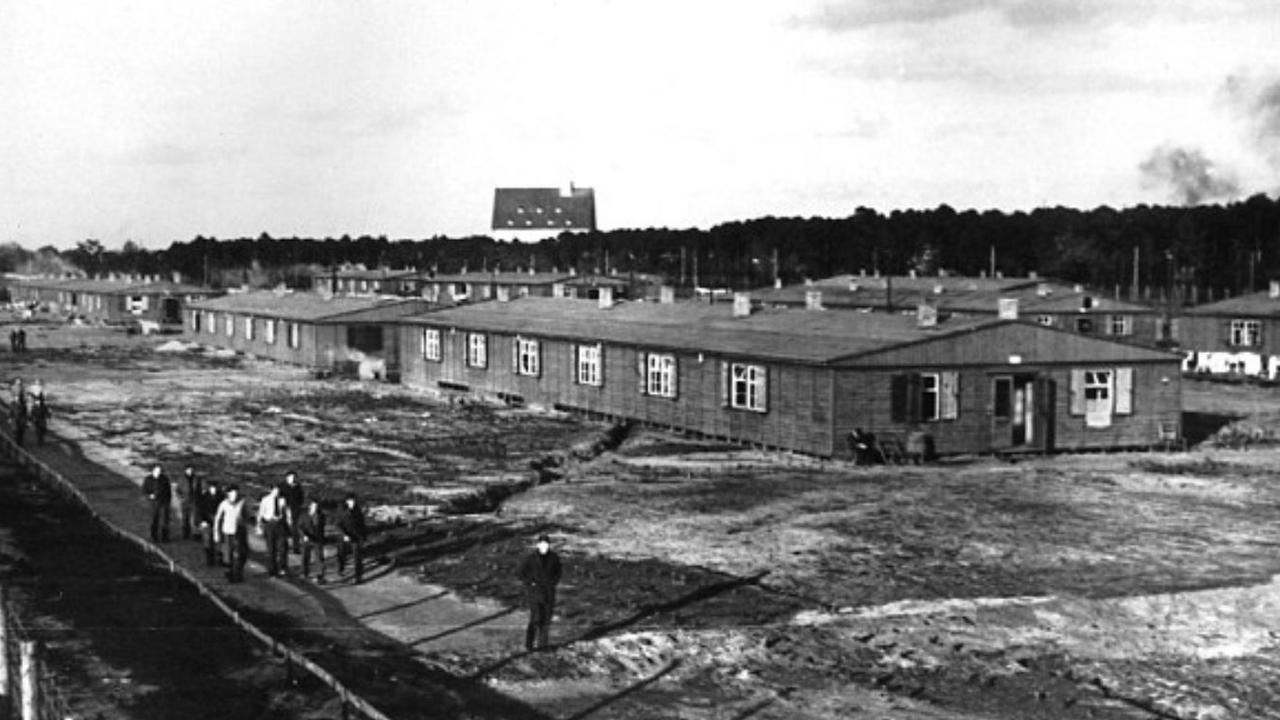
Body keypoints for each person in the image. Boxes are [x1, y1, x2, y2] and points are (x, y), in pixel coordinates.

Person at [517, 534, 563, 651]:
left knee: (546, 620)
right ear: (538, 545)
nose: (544, 547)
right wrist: (530, 583)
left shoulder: (554, 558)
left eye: (546, 544)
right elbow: (520, 573)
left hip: (549, 592)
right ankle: (529, 644)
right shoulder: (530, 558)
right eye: (542, 544)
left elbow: (558, 572)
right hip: (535, 593)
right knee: (536, 618)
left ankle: (542, 645)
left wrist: (553, 583)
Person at [213, 485, 249, 582]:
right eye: (232, 493)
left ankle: (237, 574)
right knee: (228, 555)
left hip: (239, 532)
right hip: (228, 531)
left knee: (239, 554)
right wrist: (216, 532)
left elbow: (246, 516)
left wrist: (244, 526)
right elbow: (218, 518)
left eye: (236, 493)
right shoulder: (224, 504)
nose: (234, 495)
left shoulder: (242, 503)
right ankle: (231, 572)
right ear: (228, 494)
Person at [256, 484, 290, 577]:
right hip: (270, 524)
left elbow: (286, 512)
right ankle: (272, 569)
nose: (277, 492)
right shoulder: (266, 500)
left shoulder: (283, 500)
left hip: (280, 524)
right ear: (271, 490)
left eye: (278, 491)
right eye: (275, 490)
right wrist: (258, 526)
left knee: (282, 547)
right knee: (271, 549)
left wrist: (288, 524)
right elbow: (260, 513)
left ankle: (283, 567)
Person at [336, 493, 367, 584]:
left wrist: (364, 537)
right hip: (344, 537)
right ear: (346, 501)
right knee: (342, 554)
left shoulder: (358, 511)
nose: (352, 503)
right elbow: (338, 524)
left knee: (357, 557)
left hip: (356, 537)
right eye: (350, 501)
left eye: (353, 501)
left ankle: (358, 576)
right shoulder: (341, 510)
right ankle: (341, 568)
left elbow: (362, 525)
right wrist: (343, 535)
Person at [297, 499, 327, 582]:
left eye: (317, 506)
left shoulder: (321, 515)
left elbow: (321, 527)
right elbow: (299, 526)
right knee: (305, 556)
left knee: (319, 557)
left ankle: (320, 575)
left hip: (317, 538)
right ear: (310, 506)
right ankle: (304, 573)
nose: (316, 507)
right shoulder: (304, 515)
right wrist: (303, 536)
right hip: (307, 538)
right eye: (314, 506)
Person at [142, 464, 172, 543]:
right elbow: (144, 490)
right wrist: (149, 495)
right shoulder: (148, 479)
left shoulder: (165, 479)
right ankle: (154, 537)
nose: (158, 473)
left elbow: (168, 491)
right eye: (157, 471)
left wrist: (168, 501)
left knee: (165, 520)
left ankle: (165, 537)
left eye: (160, 471)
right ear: (153, 471)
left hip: (164, 502)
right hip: (154, 503)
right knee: (154, 520)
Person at [195, 481, 223, 567]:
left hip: (218, 521)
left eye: (215, 488)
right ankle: (209, 560)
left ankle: (219, 559)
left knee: (218, 541)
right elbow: (200, 510)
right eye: (212, 488)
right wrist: (202, 521)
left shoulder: (221, 496)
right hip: (207, 521)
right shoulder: (204, 497)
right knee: (207, 541)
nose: (213, 490)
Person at [279, 471, 305, 554]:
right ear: (287, 478)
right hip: (284, 510)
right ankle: (283, 547)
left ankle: (296, 547)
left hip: (295, 511)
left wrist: (298, 507)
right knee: (283, 530)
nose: (293, 479)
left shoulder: (298, 487)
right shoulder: (282, 487)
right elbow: (279, 498)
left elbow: (301, 499)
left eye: (294, 477)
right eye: (291, 477)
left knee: (295, 530)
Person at [179, 465, 203, 540]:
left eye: (191, 470)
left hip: (194, 500)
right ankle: (185, 534)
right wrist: (181, 497)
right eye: (188, 470)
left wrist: (199, 499)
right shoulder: (182, 479)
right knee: (185, 518)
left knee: (196, 518)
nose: (190, 471)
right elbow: (178, 490)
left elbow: (199, 490)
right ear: (185, 470)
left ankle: (197, 534)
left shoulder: (196, 479)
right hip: (185, 500)